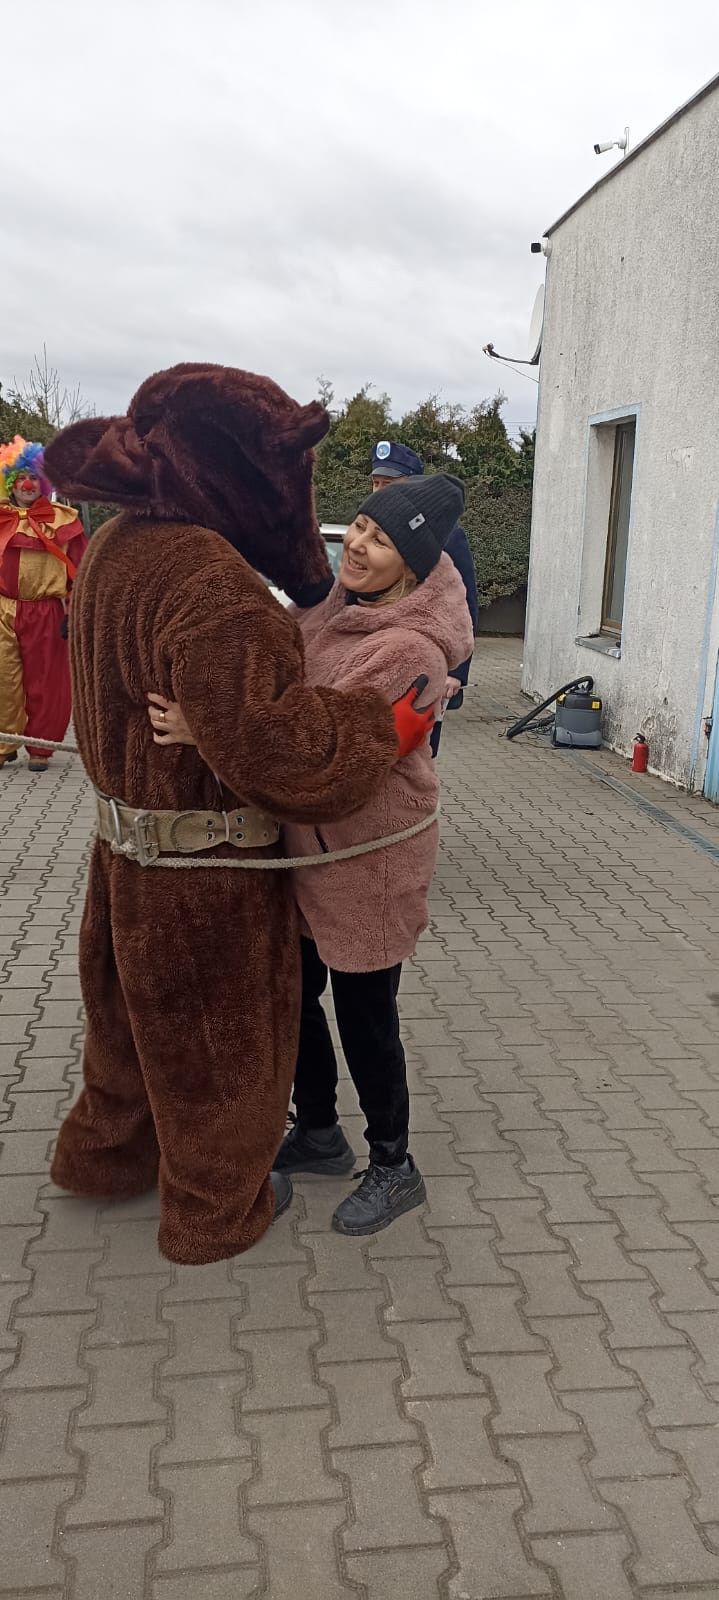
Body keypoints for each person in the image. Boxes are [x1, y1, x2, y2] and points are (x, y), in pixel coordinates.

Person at [43, 363, 434, 1268]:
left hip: (123, 853)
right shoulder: (213, 585)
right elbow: (284, 757)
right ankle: (215, 1210)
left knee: (126, 1027)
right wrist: (378, 728)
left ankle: (106, 1159)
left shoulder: (114, 544)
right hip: (203, 873)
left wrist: (213, 720)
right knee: (217, 1049)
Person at [149, 472, 474, 1236]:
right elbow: (271, 681)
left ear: (412, 565)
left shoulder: (409, 652)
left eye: (382, 540)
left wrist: (206, 731)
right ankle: (320, 1132)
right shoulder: (334, 608)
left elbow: (318, 750)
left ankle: (393, 1164)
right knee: (291, 996)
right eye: (359, 524)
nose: (358, 544)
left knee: (366, 1017)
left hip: (369, 861)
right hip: (301, 845)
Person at [370, 441, 479, 757]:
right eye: (376, 483)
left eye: (388, 483)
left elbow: (465, 605)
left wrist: (457, 673)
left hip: (425, 666)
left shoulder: (445, 534)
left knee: (417, 754)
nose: (379, 491)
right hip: (377, 660)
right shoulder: (368, 531)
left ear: (412, 484)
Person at [0, 436, 87, 772]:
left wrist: (74, 610)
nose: (27, 484)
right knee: (4, 679)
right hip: (3, 609)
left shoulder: (64, 520)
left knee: (45, 681)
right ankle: (5, 743)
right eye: (20, 478)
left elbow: (82, 569)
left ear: (44, 483)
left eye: (34, 478)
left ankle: (41, 746)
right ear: (10, 482)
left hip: (45, 612)